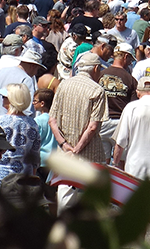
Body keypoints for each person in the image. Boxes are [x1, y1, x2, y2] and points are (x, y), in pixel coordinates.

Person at [49, 53, 109, 212]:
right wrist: (77, 149)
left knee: (65, 195)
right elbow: (93, 127)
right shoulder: (97, 90)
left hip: (65, 153)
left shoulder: (63, 85)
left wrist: (64, 145)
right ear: (95, 69)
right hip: (90, 154)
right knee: (93, 201)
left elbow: (52, 120)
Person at [0, 84, 41, 187]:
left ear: (12, 100)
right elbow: (35, 157)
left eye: (5, 97)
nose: (2, 99)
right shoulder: (33, 124)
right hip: (23, 179)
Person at [98, 42, 138, 160]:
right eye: (130, 59)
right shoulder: (131, 80)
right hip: (121, 125)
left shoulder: (100, 75)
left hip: (102, 122)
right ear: (125, 57)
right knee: (119, 163)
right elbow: (132, 107)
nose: (130, 63)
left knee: (101, 164)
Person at [0, 47, 43, 121]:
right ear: (32, 66)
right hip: (13, 125)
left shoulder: (0, 72)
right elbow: (28, 109)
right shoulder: (26, 79)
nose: (36, 73)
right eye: (37, 69)